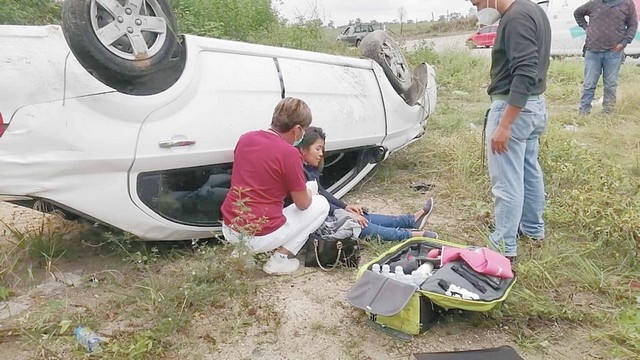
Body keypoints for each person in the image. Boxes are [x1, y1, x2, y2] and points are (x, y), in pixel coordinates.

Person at [469, 0, 551, 262]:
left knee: (507, 181)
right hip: (534, 106)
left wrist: (504, 124)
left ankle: (503, 245)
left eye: (478, 2)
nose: (478, 7)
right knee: (529, 170)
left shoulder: (515, 18)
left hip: (514, 110)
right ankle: (533, 229)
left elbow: (525, 71)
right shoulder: (533, 10)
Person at [220, 98, 330, 275]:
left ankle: (242, 252)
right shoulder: (289, 153)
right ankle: (279, 260)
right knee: (322, 204)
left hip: (229, 226)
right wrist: (310, 191)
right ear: (297, 129)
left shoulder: (245, 138)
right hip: (259, 234)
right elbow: (303, 204)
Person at [296, 126, 438, 242]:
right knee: (360, 224)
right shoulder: (298, 172)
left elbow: (321, 192)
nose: (321, 154)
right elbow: (315, 202)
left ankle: (411, 220)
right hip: (316, 222)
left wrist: (345, 206)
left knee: (362, 215)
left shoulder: (309, 169)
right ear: (303, 150)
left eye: (322, 149)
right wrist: (344, 212)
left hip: (324, 212)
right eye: (317, 149)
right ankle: (411, 236)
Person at [574, 0, 637, 115]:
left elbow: (633, 25)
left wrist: (624, 43)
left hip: (614, 52)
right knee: (589, 84)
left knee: (610, 84)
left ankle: (608, 113)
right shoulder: (594, 2)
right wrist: (586, 28)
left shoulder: (627, 3)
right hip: (592, 51)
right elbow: (577, 13)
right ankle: (583, 112)